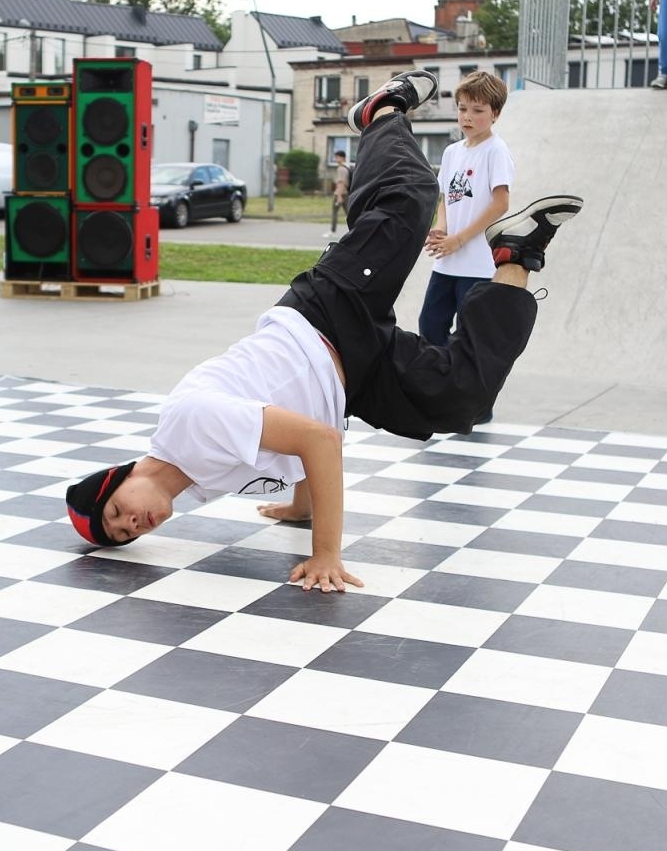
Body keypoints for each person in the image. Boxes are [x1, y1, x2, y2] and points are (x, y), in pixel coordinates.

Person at [65, 70, 583, 590]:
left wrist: (325, 554)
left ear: (118, 479)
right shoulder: (194, 484)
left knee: (408, 197)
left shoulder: (190, 425)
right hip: (349, 371)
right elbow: (289, 435)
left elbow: (317, 438)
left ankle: (381, 112)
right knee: (459, 398)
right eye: (125, 536)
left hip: (325, 315)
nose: (131, 525)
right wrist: (298, 504)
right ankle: (517, 252)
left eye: (116, 515)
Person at [419, 71, 514, 424]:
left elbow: (500, 203)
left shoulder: (496, 151)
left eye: (477, 110)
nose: (468, 117)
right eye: (462, 109)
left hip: (476, 264)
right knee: (430, 327)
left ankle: (477, 404)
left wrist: (461, 238)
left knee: (471, 337)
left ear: (495, 114)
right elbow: (446, 198)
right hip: (446, 263)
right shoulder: (452, 151)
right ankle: (447, 393)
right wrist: (441, 228)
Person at [330, 150, 351, 233]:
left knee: (334, 212)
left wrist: (339, 196)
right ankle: (354, 229)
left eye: (336, 157)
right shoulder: (346, 168)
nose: (335, 159)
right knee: (349, 214)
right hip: (346, 194)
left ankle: (333, 231)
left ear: (342, 158)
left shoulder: (341, 169)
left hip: (340, 194)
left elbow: (341, 183)